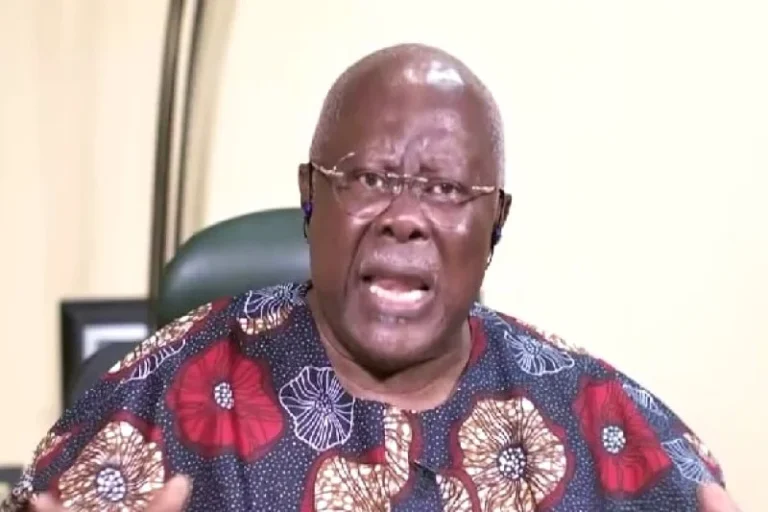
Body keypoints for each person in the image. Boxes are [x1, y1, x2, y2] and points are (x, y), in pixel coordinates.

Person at [2, 44, 739, 512]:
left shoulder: (606, 425)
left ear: (495, 222)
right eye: (368, 178)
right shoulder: (156, 399)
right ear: (310, 197)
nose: (404, 218)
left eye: (446, 189)